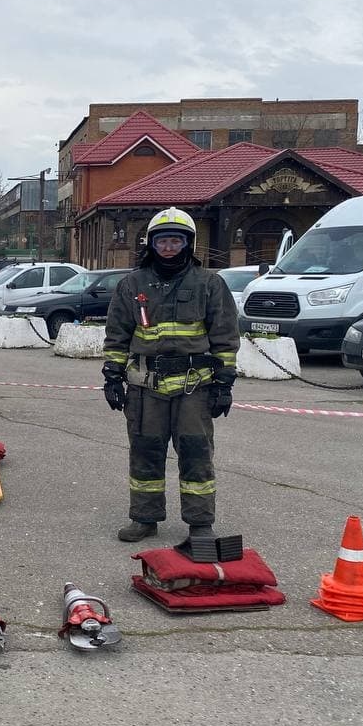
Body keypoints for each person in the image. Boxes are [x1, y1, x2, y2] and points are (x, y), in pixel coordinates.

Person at [102, 208, 240, 543]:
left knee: (196, 453)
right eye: (162, 240)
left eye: (176, 240)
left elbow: (224, 334)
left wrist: (225, 382)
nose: (168, 247)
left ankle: (200, 523)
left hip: (194, 388)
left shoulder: (210, 284)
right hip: (145, 388)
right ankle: (144, 518)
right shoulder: (132, 285)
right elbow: (117, 333)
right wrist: (112, 375)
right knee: (145, 451)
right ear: (151, 243)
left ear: (188, 244)